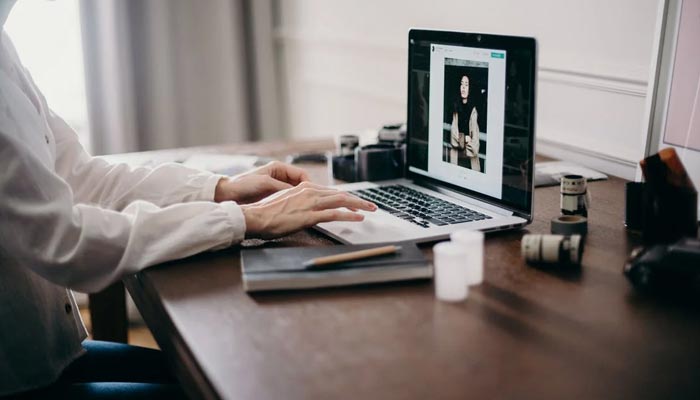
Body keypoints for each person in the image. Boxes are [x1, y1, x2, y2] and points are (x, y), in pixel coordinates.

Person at [0, 1, 376, 398]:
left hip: (46, 357)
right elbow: (65, 244)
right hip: (18, 382)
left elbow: (80, 175)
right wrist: (245, 219)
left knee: (238, 377)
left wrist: (219, 190)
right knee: (250, 385)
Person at [449, 75, 481, 171]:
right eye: (461, 84)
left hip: (470, 162)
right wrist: (465, 139)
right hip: (456, 159)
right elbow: (453, 139)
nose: (463, 87)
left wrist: (460, 142)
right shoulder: (455, 109)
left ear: (470, 88)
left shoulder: (473, 111)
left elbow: (475, 146)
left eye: (466, 85)